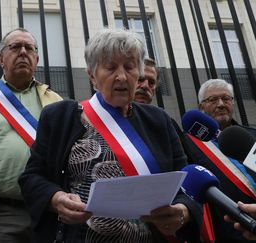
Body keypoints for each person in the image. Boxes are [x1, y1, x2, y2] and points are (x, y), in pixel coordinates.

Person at [19, 28, 201, 243]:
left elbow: (186, 180)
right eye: (111, 67)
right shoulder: (60, 117)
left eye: (130, 67)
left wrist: (183, 211)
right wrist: (55, 198)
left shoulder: (159, 120)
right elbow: (31, 178)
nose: (122, 76)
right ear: (92, 75)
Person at [0, 28, 62, 243]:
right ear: (1, 58)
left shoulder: (56, 101)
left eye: (29, 48)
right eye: (15, 47)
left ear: (36, 59)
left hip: (48, 210)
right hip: (1, 214)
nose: (23, 52)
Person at [180, 79, 256, 243]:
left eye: (226, 98)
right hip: (231, 231)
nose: (221, 104)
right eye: (213, 100)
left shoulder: (251, 135)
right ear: (201, 107)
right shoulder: (186, 144)